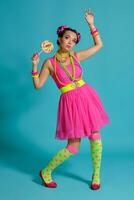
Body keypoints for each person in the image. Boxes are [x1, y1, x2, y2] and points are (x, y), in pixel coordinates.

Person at [31, 9, 110, 190]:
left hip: (86, 97)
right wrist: (35, 66)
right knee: (73, 146)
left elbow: (99, 45)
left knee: (95, 136)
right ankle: (46, 171)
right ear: (59, 39)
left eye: (74, 40)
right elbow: (38, 85)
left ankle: (96, 174)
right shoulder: (50, 63)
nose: (70, 42)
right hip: (70, 103)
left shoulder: (76, 56)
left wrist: (91, 24)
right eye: (67, 38)